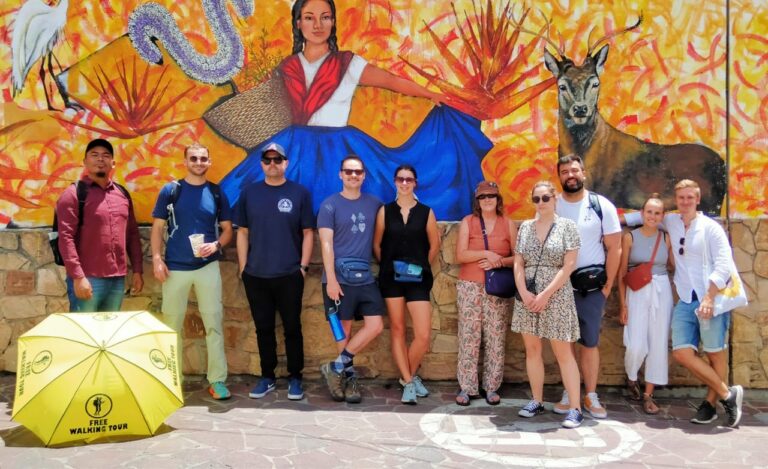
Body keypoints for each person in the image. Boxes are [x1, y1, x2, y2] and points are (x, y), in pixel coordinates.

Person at [218, 0, 491, 220]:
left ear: (333, 22)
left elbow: (391, 81)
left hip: (339, 144)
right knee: (251, 192)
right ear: (298, 22)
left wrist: (431, 94)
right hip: (296, 145)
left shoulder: (348, 63)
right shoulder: (287, 66)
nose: (317, 24)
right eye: (310, 17)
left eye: (325, 17)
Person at [624, 179, 744, 427]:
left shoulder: (711, 228)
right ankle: (728, 394)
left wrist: (710, 297)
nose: (686, 201)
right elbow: (644, 216)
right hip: (686, 300)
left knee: (714, 354)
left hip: (711, 299)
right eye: (681, 198)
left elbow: (723, 265)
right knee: (681, 352)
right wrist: (613, 222)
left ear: (698, 199)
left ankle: (711, 404)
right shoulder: (672, 221)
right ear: (676, 201)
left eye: (690, 197)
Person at [150, 142, 233, 400]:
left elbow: (228, 230)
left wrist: (217, 244)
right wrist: (156, 259)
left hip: (207, 267)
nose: (198, 162)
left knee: (213, 325)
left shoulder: (217, 193)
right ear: (185, 162)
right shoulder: (171, 191)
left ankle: (217, 381)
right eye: (194, 158)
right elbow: (157, 228)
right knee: (172, 324)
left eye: (203, 158)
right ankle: (170, 381)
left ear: (209, 162)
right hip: (175, 267)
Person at [235, 142, 314, 401]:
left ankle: (295, 377)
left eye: (277, 160)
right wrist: (243, 267)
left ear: (285, 163)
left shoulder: (299, 193)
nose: (272, 164)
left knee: (292, 327)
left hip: (289, 274)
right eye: (267, 160)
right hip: (256, 275)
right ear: (261, 164)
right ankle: (267, 376)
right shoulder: (249, 193)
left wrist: (302, 267)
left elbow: (307, 232)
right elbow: (243, 231)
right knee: (263, 328)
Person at [553, 154, 621, 419]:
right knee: (564, 342)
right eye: (564, 172)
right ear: (558, 176)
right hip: (559, 287)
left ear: (583, 173)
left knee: (589, 342)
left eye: (574, 170)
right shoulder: (553, 205)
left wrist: (608, 287)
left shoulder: (600, 205)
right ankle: (570, 393)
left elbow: (614, 248)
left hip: (591, 288)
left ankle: (590, 394)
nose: (570, 175)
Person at [512, 181, 583, 428]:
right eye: (536, 199)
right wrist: (523, 291)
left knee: (563, 353)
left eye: (545, 198)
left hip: (556, 295)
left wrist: (546, 294)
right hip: (528, 295)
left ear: (555, 199)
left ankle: (575, 407)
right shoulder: (526, 228)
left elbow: (569, 265)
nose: (540, 203)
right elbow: (518, 262)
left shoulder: (567, 227)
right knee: (532, 350)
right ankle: (537, 400)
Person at [318, 155, 385, 404]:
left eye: (358, 172)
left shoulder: (375, 204)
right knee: (343, 331)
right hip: (338, 280)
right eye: (348, 172)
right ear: (340, 174)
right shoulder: (329, 206)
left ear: (364, 176)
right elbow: (326, 244)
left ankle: (335, 366)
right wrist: (332, 280)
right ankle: (347, 379)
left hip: (365, 278)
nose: (353, 176)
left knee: (375, 325)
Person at [373, 164, 440, 404]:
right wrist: (390, 267)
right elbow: (377, 245)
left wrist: (420, 266)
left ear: (415, 183)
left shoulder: (426, 212)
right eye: (400, 179)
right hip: (391, 279)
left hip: (418, 278)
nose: (404, 183)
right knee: (399, 330)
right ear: (394, 182)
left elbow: (434, 245)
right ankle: (409, 381)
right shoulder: (385, 211)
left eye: (409, 179)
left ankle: (406, 377)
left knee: (422, 334)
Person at [57, 138, 144, 312]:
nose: (100, 159)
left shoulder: (122, 194)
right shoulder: (73, 194)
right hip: (88, 278)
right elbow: (65, 238)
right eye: (94, 155)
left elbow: (132, 235)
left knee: (109, 333)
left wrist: (137, 270)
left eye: (105, 155)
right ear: (85, 162)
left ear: (113, 163)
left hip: (117, 279)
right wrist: (78, 276)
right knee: (85, 333)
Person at [454, 181, 517, 406]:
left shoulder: (507, 224)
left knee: (495, 337)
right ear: (477, 201)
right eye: (483, 197)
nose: (487, 200)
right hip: (470, 285)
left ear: (498, 199)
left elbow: (518, 258)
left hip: (497, 288)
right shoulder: (468, 222)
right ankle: (467, 387)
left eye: (491, 196)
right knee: (469, 336)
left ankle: (491, 386)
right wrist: (486, 253)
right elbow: (460, 255)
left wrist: (499, 261)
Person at [617, 194, 674, 415]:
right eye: (649, 212)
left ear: (662, 216)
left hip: (662, 291)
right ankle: (632, 377)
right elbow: (622, 274)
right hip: (637, 291)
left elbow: (672, 266)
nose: (652, 216)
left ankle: (649, 393)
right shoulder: (630, 237)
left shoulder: (666, 237)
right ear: (641, 214)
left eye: (657, 213)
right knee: (636, 344)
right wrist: (623, 305)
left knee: (658, 342)